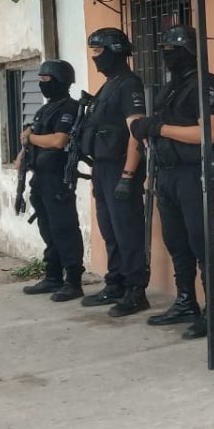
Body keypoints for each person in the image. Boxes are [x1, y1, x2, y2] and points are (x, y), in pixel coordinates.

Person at [129, 24, 214, 340]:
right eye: (165, 50)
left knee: (202, 241)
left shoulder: (207, 84)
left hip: (193, 173)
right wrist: (146, 130)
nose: (168, 56)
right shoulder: (170, 88)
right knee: (176, 241)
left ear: (190, 51)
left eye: (174, 50)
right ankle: (186, 302)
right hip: (167, 173)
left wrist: (158, 128)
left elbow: (207, 133)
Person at [79, 27, 150, 317]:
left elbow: (137, 132)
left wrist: (128, 175)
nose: (95, 58)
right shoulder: (109, 85)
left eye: (99, 51)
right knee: (110, 229)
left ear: (115, 51)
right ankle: (116, 282)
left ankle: (135, 290)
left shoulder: (129, 85)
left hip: (121, 167)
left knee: (127, 230)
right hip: (103, 168)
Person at [18, 59, 84, 301]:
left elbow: (58, 140)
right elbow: (34, 136)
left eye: (46, 79)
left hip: (58, 179)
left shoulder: (69, 108)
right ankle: (53, 275)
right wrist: (23, 153)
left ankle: (73, 281)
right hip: (41, 179)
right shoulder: (45, 110)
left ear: (60, 81)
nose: (42, 83)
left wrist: (31, 138)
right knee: (48, 229)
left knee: (64, 229)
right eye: (40, 79)